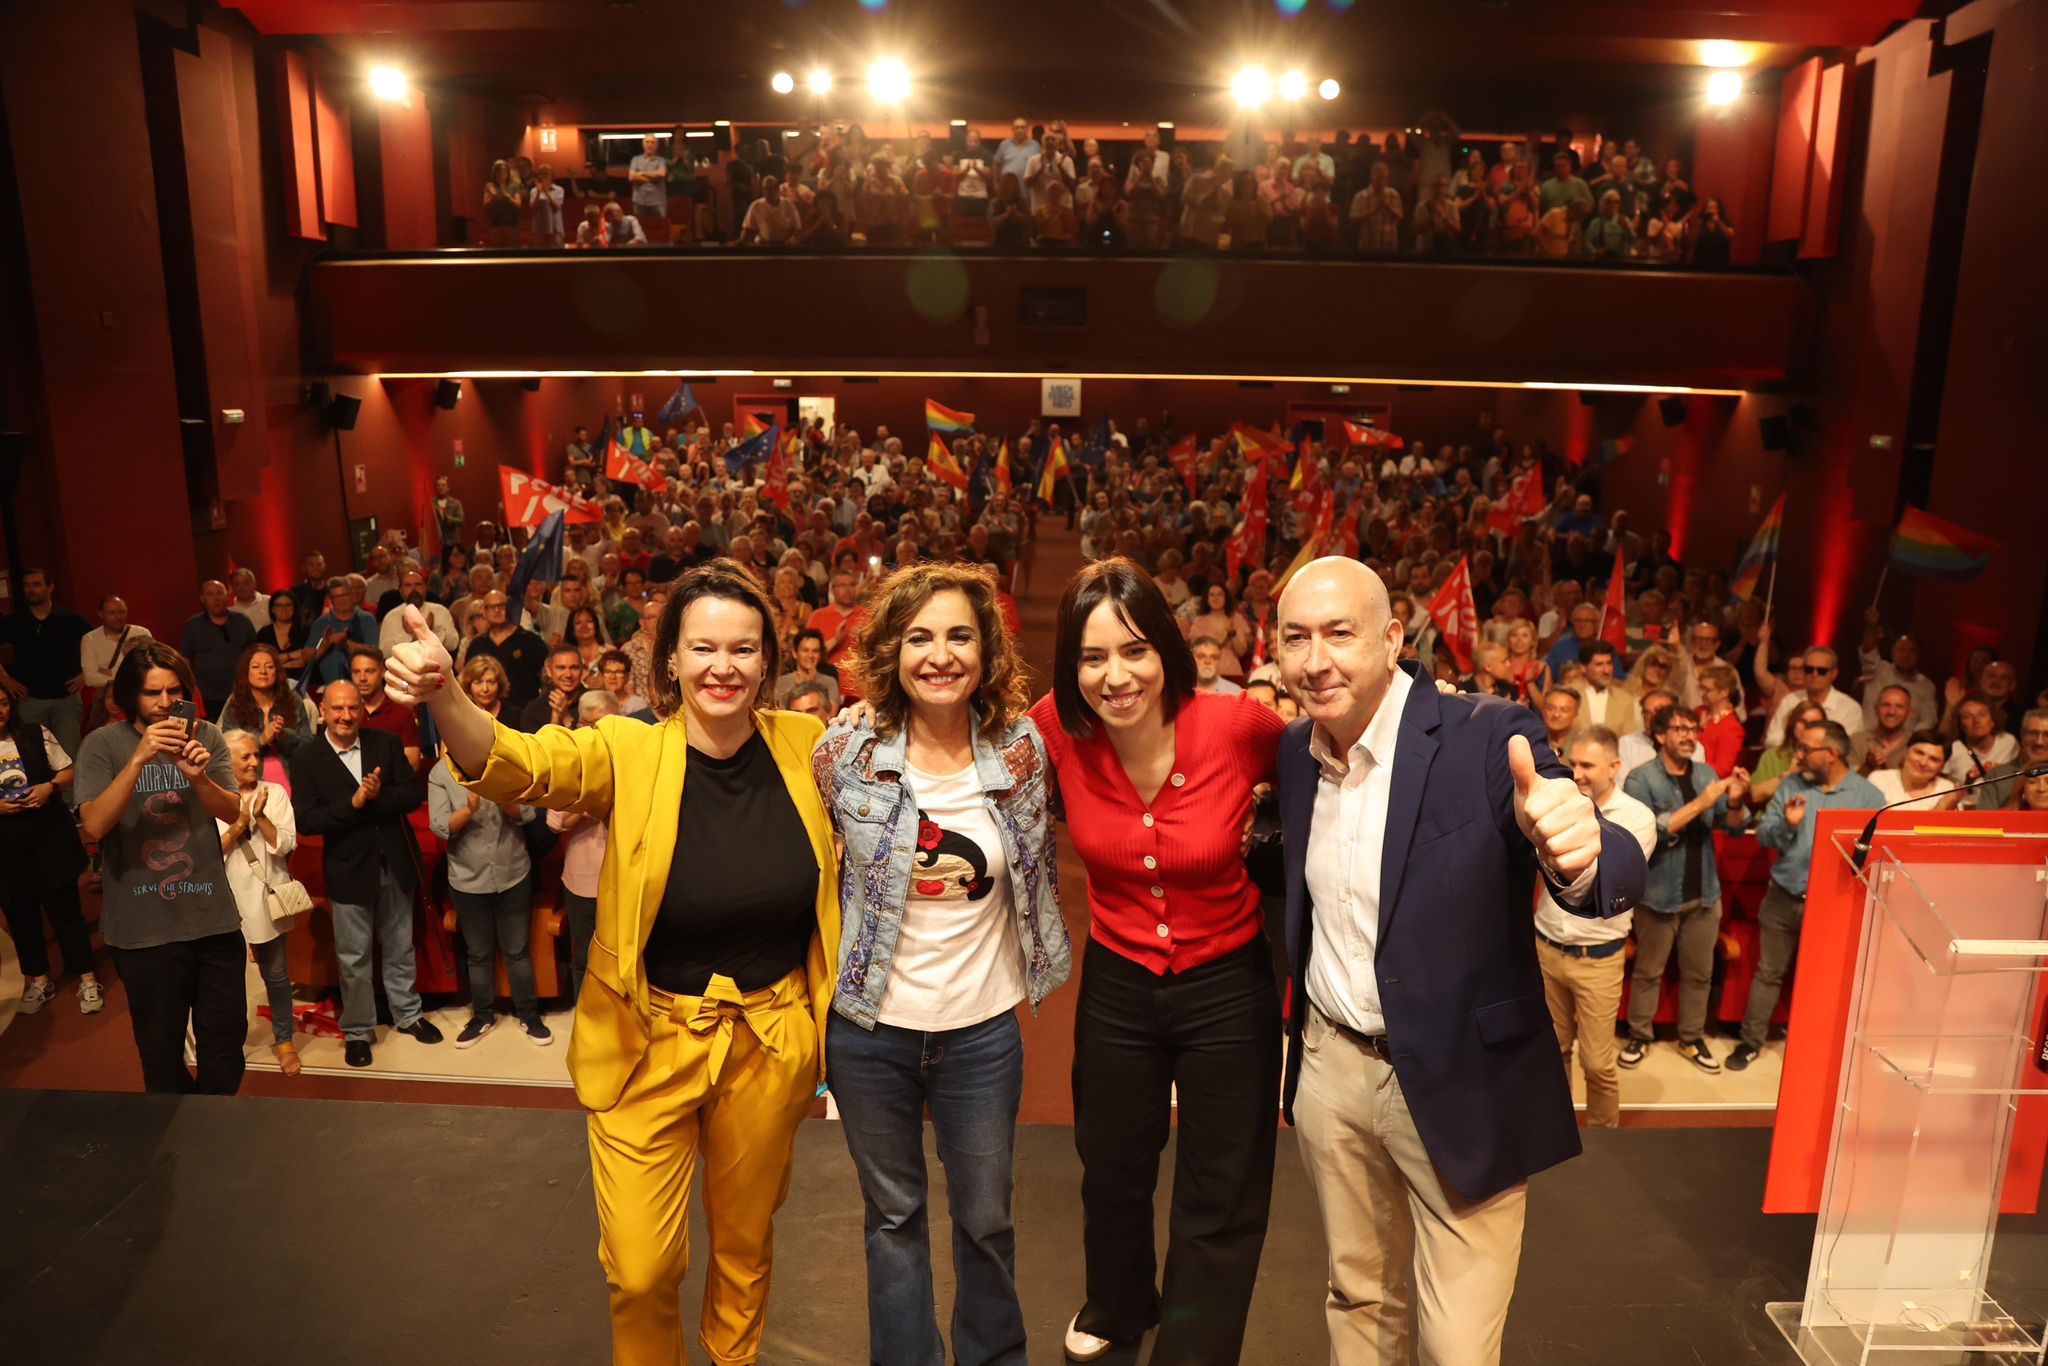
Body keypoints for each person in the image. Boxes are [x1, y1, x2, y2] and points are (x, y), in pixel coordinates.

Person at [384, 559, 840, 1366]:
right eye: (704, 648)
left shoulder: (812, 748)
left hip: (770, 1045)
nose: (723, 667)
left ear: (768, 658)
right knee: (639, 1269)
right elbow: (520, 762)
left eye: (742, 649)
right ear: (670, 659)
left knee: (744, 1248)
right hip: (646, 1042)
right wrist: (445, 696)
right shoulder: (627, 748)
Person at [1272, 557, 1646, 1365]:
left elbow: (1583, 842)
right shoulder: (1297, 751)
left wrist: (1581, 854)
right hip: (1333, 1065)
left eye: (1340, 633)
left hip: (1461, 1074)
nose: (1316, 659)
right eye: (1295, 638)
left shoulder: (1486, 734)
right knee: (1357, 1296)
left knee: (1456, 1347)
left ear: (1393, 637)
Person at [1028, 558, 1288, 1365]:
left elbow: (1333, 771)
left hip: (1228, 980)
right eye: (1093, 657)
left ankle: (1196, 1345)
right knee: (1111, 1164)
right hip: (1119, 979)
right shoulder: (1051, 731)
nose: (1116, 676)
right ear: (1071, 668)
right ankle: (1119, 1302)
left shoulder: (1239, 726)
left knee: (1223, 1185)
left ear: (1168, 650)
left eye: (1135, 650)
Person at [813, 563, 1068, 1366]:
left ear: (986, 649)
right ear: (891, 650)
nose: (940, 654)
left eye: (959, 634)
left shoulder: (1024, 749)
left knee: (986, 1218)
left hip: (981, 1035)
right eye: (919, 637)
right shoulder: (843, 752)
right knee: (892, 1221)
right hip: (869, 1036)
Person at [75, 643, 247, 1093]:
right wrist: (139, 759)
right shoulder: (103, 744)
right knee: (161, 1057)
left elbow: (232, 812)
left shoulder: (206, 735)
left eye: (174, 691)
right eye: (153, 693)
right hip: (144, 931)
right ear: (131, 695)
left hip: (213, 922)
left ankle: (218, 1139)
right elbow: (94, 823)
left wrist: (198, 778)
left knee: (225, 1049)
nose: (166, 703)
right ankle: (178, 1146)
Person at [288, 680, 440, 1068]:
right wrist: (353, 803)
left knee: (400, 946)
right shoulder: (307, 758)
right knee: (353, 958)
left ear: (362, 710)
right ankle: (358, 1030)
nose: (345, 716)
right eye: (337, 708)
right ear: (322, 711)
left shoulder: (385, 744)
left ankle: (407, 1014)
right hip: (348, 871)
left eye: (352, 708)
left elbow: (409, 795)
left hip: (394, 864)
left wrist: (377, 796)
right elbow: (306, 821)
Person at [1733, 720, 1881, 1071]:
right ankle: (1750, 1042)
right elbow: (1765, 836)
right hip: (1784, 897)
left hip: (1834, 904)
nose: (1798, 755)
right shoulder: (1792, 786)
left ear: (1831, 753)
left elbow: (1876, 851)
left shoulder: (1868, 797)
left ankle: (1814, 1051)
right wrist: (1788, 824)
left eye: (1805, 749)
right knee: (1768, 973)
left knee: (1824, 979)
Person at [1535, 727, 1658, 1127]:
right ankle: (1557, 1130)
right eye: (1573, 763)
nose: (1578, 773)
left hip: (1599, 959)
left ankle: (1606, 1143)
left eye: (1588, 765)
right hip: (1547, 949)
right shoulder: (1557, 805)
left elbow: (1605, 881)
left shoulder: (1637, 818)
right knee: (1552, 1052)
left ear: (1615, 767)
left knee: (1598, 1062)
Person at [1621, 706, 1750, 1073]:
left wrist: (1736, 798)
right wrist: (1702, 803)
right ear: (1660, 736)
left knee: (1699, 974)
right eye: (1679, 729)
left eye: (1693, 729)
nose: (1688, 735)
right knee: (1649, 971)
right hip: (1658, 896)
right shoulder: (1641, 779)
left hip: (1705, 894)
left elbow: (1734, 824)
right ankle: (1640, 1035)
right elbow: (1653, 830)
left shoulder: (1707, 773)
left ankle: (1691, 1039)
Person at [429, 740, 550, 1047]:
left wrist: (504, 799)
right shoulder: (440, 773)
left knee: (517, 951)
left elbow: (528, 813)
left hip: (513, 873)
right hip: (468, 880)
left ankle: (529, 1015)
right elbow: (441, 826)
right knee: (479, 954)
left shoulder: (506, 766)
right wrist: (469, 809)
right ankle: (482, 1016)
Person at [0, 686, 98, 1015]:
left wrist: (50, 787)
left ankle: (86, 977)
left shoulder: (34, 732)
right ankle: (40, 979)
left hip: (48, 834)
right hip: (6, 845)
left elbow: (68, 770)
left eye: (1, 702)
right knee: (21, 913)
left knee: (65, 909)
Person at [216, 728, 302, 1076]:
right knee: (228, 978)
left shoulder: (275, 793)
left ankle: (284, 1040)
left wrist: (262, 817)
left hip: (268, 898)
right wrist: (240, 823)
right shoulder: (212, 797)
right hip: (225, 900)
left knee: (277, 976)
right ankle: (229, 1043)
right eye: (246, 757)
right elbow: (210, 853)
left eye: (256, 755)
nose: (254, 762)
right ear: (226, 761)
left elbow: (286, 846)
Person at [548, 689, 622, 1005]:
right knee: (584, 957)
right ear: (581, 725)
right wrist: (589, 802)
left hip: (625, 880)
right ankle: (586, 1025)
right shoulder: (569, 764)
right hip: (583, 880)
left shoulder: (630, 760)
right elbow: (555, 822)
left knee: (623, 960)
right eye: (597, 726)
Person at [0, 568, 90, 766]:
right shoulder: (15, 621)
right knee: (34, 754)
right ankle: (43, 796)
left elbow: (97, 647)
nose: (31, 590)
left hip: (66, 699)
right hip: (30, 699)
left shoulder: (71, 619)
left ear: (50, 587)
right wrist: (5, 679)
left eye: (37, 584)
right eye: (27, 585)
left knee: (70, 754)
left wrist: (86, 675)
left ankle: (72, 797)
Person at [178, 579, 257, 719]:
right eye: (210, 594)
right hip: (207, 697)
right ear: (202, 598)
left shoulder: (243, 622)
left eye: (220, 593)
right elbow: (185, 660)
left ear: (227, 596)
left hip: (242, 693)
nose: (216, 598)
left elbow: (255, 654)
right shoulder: (193, 625)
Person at [1763, 645, 1866, 748]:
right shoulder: (1789, 701)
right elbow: (1772, 739)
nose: (1814, 674)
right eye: (1809, 669)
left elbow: (1847, 746)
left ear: (1834, 674)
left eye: (1821, 671)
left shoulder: (1850, 708)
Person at [466, 590, 549, 711]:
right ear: (484, 611)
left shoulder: (531, 641)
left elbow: (546, 678)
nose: (497, 610)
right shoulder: (477, 645)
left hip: (524, 714)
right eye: (492, 607)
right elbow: (467, 679)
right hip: (485, 716)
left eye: (502, 606)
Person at [301, 577, 376, 695]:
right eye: (337, 597)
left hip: (363, 688)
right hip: (330, 689)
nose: (342, 600)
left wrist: (346, 644)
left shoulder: (366, 619)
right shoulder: (321, 623)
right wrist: (326, 645)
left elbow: (374, 654)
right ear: (330, 600)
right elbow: (306, 658)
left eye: (345, 595)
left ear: (352, 595)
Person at [1868, 730, 1961, 811]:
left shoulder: (1947, 789)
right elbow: (1888, 825)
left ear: (1942, 766)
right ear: (1906, 752)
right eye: (1919, 753)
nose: (1923, 762)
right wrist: (1939, 809)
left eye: (1933, 759)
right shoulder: (1880, 779)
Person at [1978, 708, 2048, 809]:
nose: (2039, 742)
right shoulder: (1998, 777)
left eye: (2047, 734)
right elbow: (1985, 822)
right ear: (2022, 736)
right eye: (2033, 733)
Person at [518, 645, 588, 733]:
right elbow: (538, 746)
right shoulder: (534, 709)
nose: (568, 675)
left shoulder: (596, 702)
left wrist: (565, 717)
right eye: (561, 668)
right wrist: (555, 718)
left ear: (583, 670)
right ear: (549, 670)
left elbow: (591, 745)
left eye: (574, 668)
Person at [775, 627, 841, 711]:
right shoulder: (781, 683)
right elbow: (782, 716)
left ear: (820, 654)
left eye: (815, 651)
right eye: (805, 650)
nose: (810, 655)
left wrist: (811, 684)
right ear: (795, 653)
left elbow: (830, 715)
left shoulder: (830, 682)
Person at [1541, 686, 1582, 758]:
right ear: (1543, 710)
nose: (1556, 715)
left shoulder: (1583, 743)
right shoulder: (1533, 741)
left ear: (1576, 714)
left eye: (1564, 710)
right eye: (1551, 708)